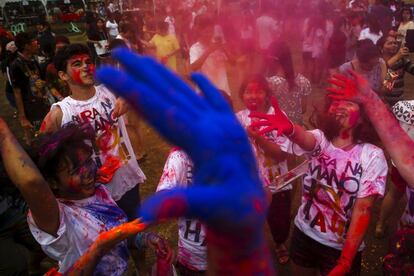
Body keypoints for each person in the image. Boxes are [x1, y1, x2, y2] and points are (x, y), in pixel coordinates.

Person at [96, 49, 275, 274]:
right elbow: (164, 195)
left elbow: (265, 193)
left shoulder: (244, 152)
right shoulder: (181, 156)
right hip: (193, 258)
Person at [0, 119, 168, 275]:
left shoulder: (98, 192)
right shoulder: (58, 217)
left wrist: (143, 239)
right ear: (53, 182)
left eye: (88, 161)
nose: (88, 173)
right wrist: (3, 134)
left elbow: (114, 233)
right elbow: (32, 183)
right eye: (75, 171)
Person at [250, 95, 388, 274]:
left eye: (348, 102)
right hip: (304, 234)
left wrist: (345, 261)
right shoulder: (322, 140)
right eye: (336, 102)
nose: (340, 106)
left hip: (340, 248)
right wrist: (291, 130)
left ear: (363, 113)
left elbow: (363, 210)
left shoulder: (372, 156)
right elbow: (305, 139)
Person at [40, 44, 146, 220]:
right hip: (92, 193)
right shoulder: (59, 114)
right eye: (77, 64)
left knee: (136, 230)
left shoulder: (110, 91)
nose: (85, 67)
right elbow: (44, 158)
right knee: (110, 241)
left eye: (88, 62)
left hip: (126, 181)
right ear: (63, 75)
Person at [236, 75, 291, 265]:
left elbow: (282, 155)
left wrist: (258, 138)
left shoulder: (277, 116)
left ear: (267, 94)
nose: (253, 96)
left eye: (259, 91)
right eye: (248, 91)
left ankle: (279, 243)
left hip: (278, 184)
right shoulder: (239, 118)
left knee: (280, 223)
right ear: (241, 95)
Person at [10, 32, 50, 145]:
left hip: (42, 103)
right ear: (26, 46)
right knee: (38, 140)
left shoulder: (33, 60)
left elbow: (39, 80)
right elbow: (17, 93)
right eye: (34, 41)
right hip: (31, 109)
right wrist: (23, 117)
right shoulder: (16, 65)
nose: (37, 43)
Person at [267, 41, 311, 125]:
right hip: (297, 130)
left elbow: (268, 110)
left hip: (278, 128)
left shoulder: (271, 83)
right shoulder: (303, 81)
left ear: (273, 60)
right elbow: (303, 108)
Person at [190, 17, 231, 95]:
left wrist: (224, 49)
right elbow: (194, 67)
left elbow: (233, 63)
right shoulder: (195, 48)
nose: (209, 34)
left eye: (211, 31)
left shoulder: (217, 45)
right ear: (200, 32)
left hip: (223, 90)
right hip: (205, 91)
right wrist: (209, 50)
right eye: (206, 32)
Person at [378, 34, 414, 106]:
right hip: (383, 104)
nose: (394, 45)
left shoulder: (401, 60)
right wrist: (397, 57)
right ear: (381, 48)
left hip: (400, 103)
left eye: (395, 43)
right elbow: (386, 88)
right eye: (390, 43)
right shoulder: (377, 61)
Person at [45, 35, 71, 101]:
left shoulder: (76, 65)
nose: (62, 51)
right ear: (54, 50)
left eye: (64, 48)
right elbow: (50, 86)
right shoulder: (50, 68)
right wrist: (62, 99)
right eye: (59, 48)